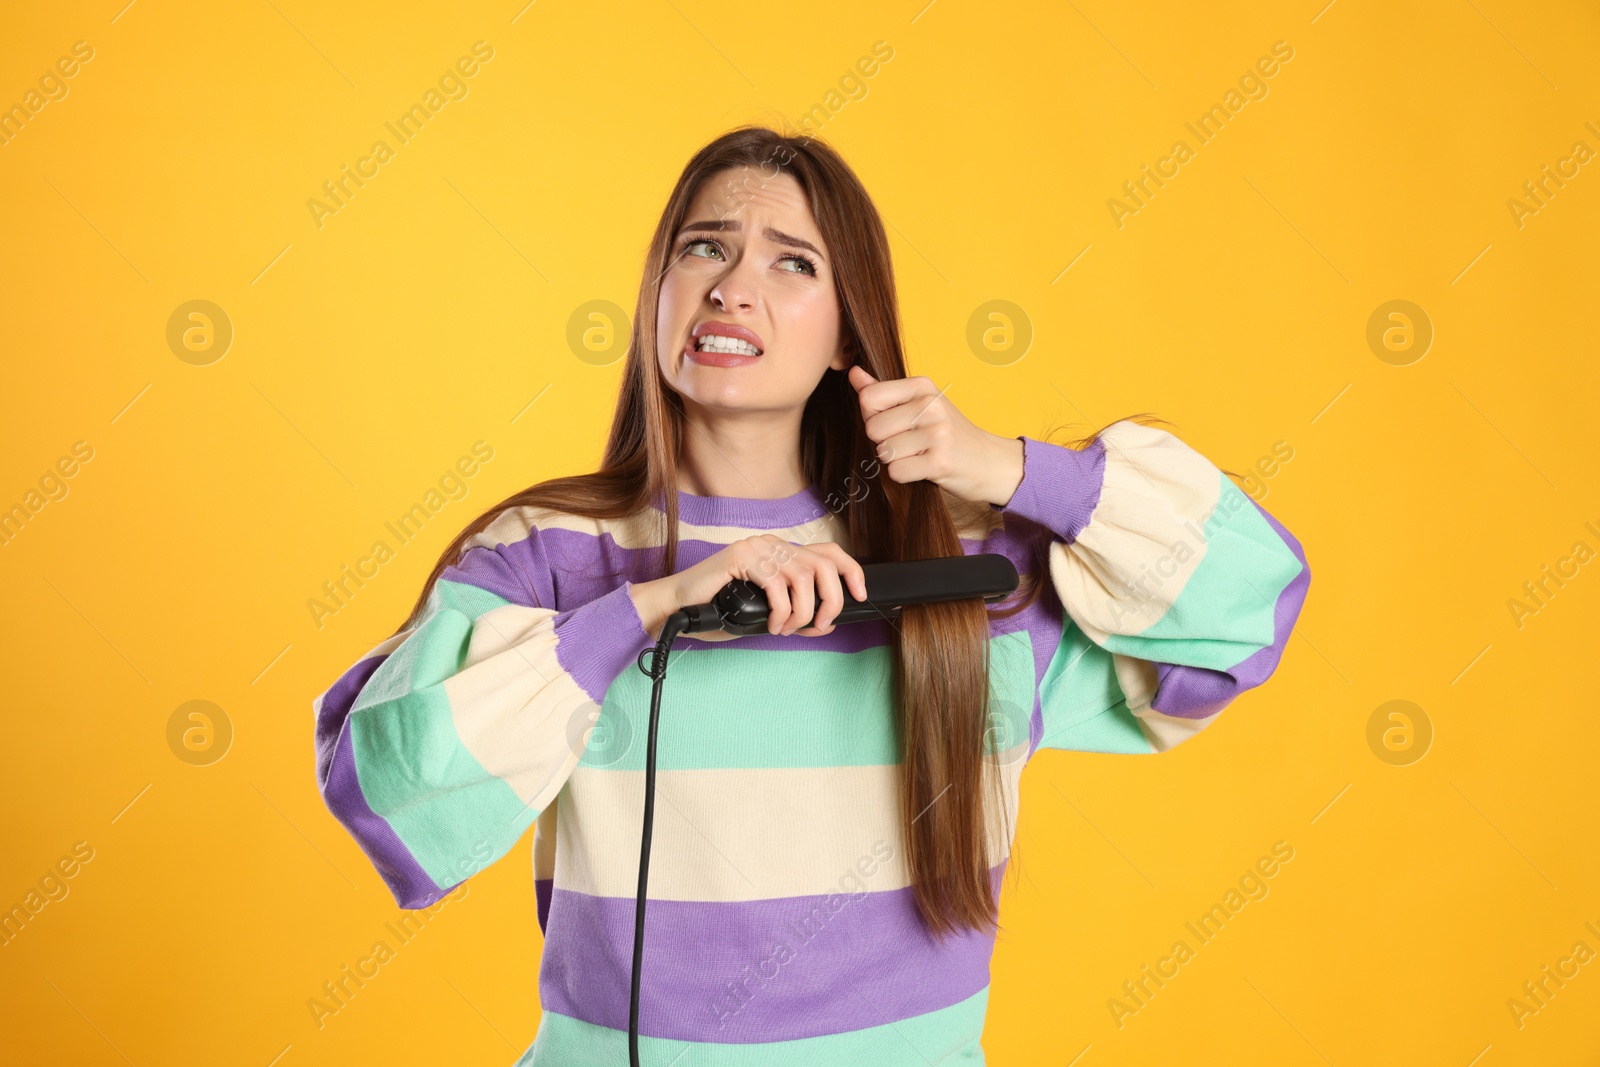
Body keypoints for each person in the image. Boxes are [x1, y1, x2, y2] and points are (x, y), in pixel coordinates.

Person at [312, 124, 1311, 1065]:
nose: (734, 287)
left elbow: (1243, 613)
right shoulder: (551, 549)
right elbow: (391, 784)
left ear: (848, 331)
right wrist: (649, 607)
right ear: (656, 291)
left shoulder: (968, 562)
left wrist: (1005, 466)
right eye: (705, 248)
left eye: (793, 261)